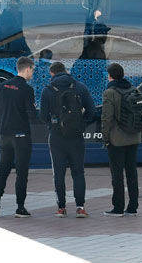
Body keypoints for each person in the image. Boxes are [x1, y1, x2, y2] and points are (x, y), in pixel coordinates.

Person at [39, 60, 95, 218]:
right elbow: (91, 111)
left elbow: (42, 116)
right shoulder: (80, 86)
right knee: (78, 172)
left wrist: (53, 125)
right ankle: (80, 207)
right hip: (76, 137)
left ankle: (61, 208)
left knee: (58, 173)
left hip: (56, 137)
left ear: (52, 73)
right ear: (65, 70)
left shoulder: (47, 90)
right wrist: (81, 125)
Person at [0, 56, 37, 218]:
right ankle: (20, 207)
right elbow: (31, 115)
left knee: (3, 169)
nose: (32, 73)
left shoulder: (2, 87)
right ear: (27, 69)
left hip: (4, 134)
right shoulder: (26, 89)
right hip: (21, 136)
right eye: (32, 69)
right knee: (21, 172)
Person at [101, 63, 141, 217]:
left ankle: (118, 207)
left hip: (117, 140)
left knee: (117, 174)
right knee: (132, 173)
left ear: (110, 76)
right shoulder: (134, 89)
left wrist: (105, 138)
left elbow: (107, 118)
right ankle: (133, 206)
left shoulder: (110, 92)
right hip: (133, 138)